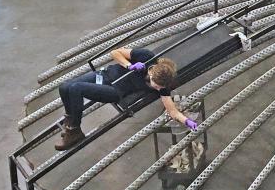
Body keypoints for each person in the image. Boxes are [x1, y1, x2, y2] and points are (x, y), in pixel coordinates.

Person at [55, 47, 198, 151]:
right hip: (105, 75)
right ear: (151, 73)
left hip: (115, 90)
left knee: (75, 89)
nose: (158, 89)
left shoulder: (163, 87)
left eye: (161, 88)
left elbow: (172, 111)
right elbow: (115, 52)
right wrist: (129, 65)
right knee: (64, 87)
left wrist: (187, 121)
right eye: (157, 85)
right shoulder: (146, 56)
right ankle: (70, 121)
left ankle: (74, 130)